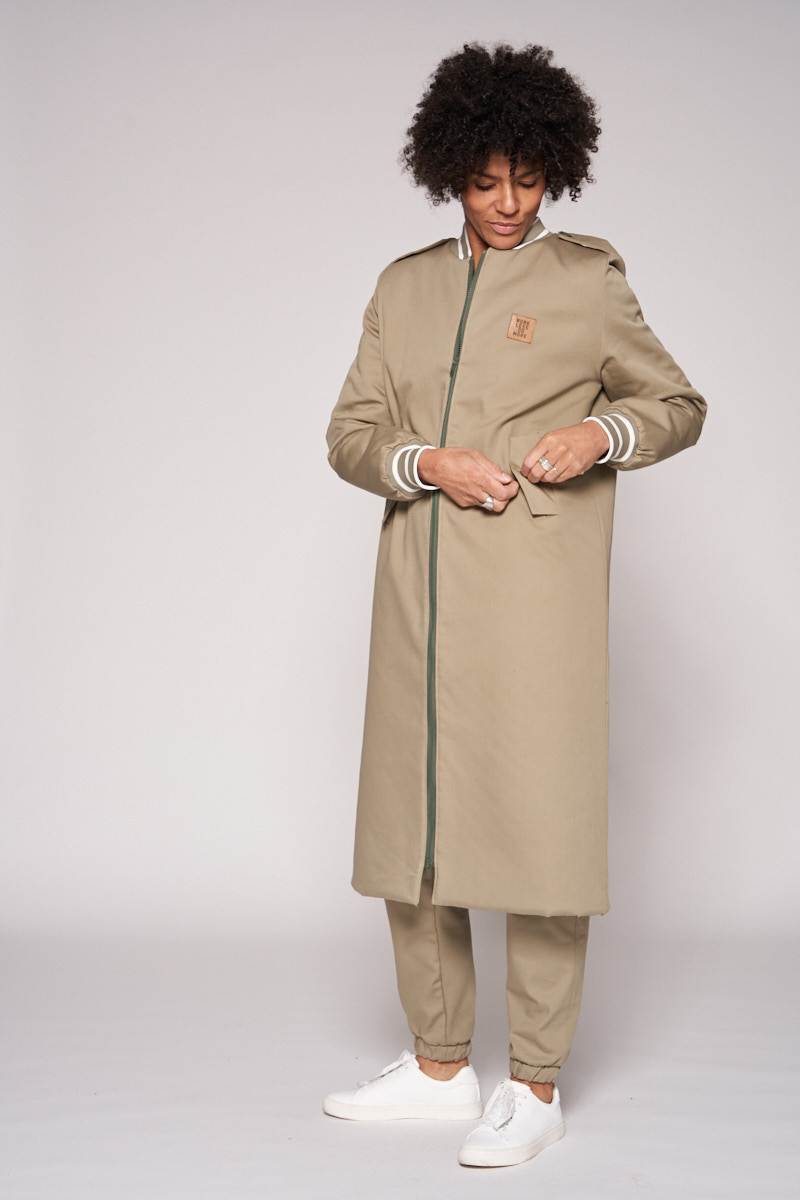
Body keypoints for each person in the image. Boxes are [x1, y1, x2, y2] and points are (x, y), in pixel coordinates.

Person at [323, 42, 706, 1169]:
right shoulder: (402, 287)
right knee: (414, 830)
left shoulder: (586, 282)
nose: (507, 204)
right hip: (418, 598)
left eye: (528, 181)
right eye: (487, 181)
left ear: (554, 173)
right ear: (451, 171)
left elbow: (676, 403)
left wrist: (601, 434)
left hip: (536, 604)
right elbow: (348, 435)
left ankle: (533, 1084)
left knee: (540, 831)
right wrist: (425, 463)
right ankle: (439, 1066)